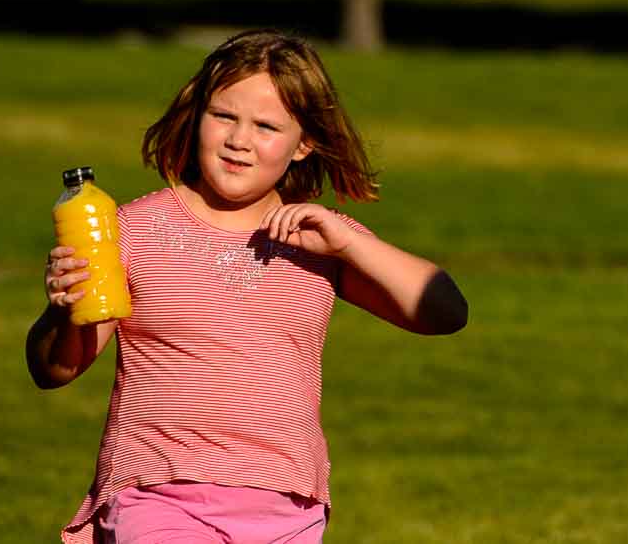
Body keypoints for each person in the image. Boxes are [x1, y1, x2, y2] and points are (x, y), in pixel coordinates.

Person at [28, 29, 469, 544]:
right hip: (158, 493)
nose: (239, 140)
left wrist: (352, 244)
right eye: (224, 117)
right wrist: (62, 311)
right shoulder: (131, 231)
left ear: (304, 143)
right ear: (197, 116)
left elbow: (445, 312)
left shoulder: (316, 237)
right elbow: (54, 369)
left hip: (286, 504)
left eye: (266, 126)